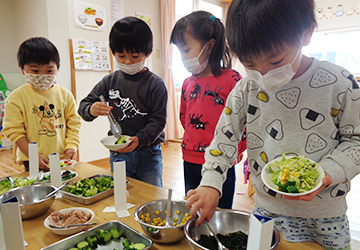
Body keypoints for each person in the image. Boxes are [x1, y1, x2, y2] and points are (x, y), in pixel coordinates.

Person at [187, 1, 360, 249]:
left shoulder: (339, 83)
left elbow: (356, 140)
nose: (263, 75)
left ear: (307, 33)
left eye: (276, 61)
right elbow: (224, 139)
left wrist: (327, 172)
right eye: (250, 65)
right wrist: (211, 182)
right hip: (267, 210)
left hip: (325, 214)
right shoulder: (245, 88)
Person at [78, 17, 167, 187]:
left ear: (147, 53)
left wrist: (139, 139)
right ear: (113, 53)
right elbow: (83, 106)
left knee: (152, 194)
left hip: (149, 153)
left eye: (134, 56)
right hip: (119, 153)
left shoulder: (155, 84)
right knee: (120, 194)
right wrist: (91, 109)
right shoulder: (109, 81)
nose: (127, 62)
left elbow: (159, 121)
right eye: (121, 56)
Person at [170, 11, 246, 209]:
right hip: (190, 157)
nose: (182, 57)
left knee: (220, 211)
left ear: (210, 46)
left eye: (186, 50)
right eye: (179, 51)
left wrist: (239, 149)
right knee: (193, 207)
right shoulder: (187, 83)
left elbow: (244, 121)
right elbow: (185, 117)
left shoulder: (232, 80)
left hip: (221, 160)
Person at [3, 37, 81, 172]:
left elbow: (73, 123)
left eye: (49, 71)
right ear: (22, 69)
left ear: (58, 68)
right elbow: (13, 130)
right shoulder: (16, 97)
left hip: (62, 158)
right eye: (35, 71)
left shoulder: (65, 95)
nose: (42, 76)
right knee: (38, 190)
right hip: (32, 159)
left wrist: (71, 146)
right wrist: (33, 155)